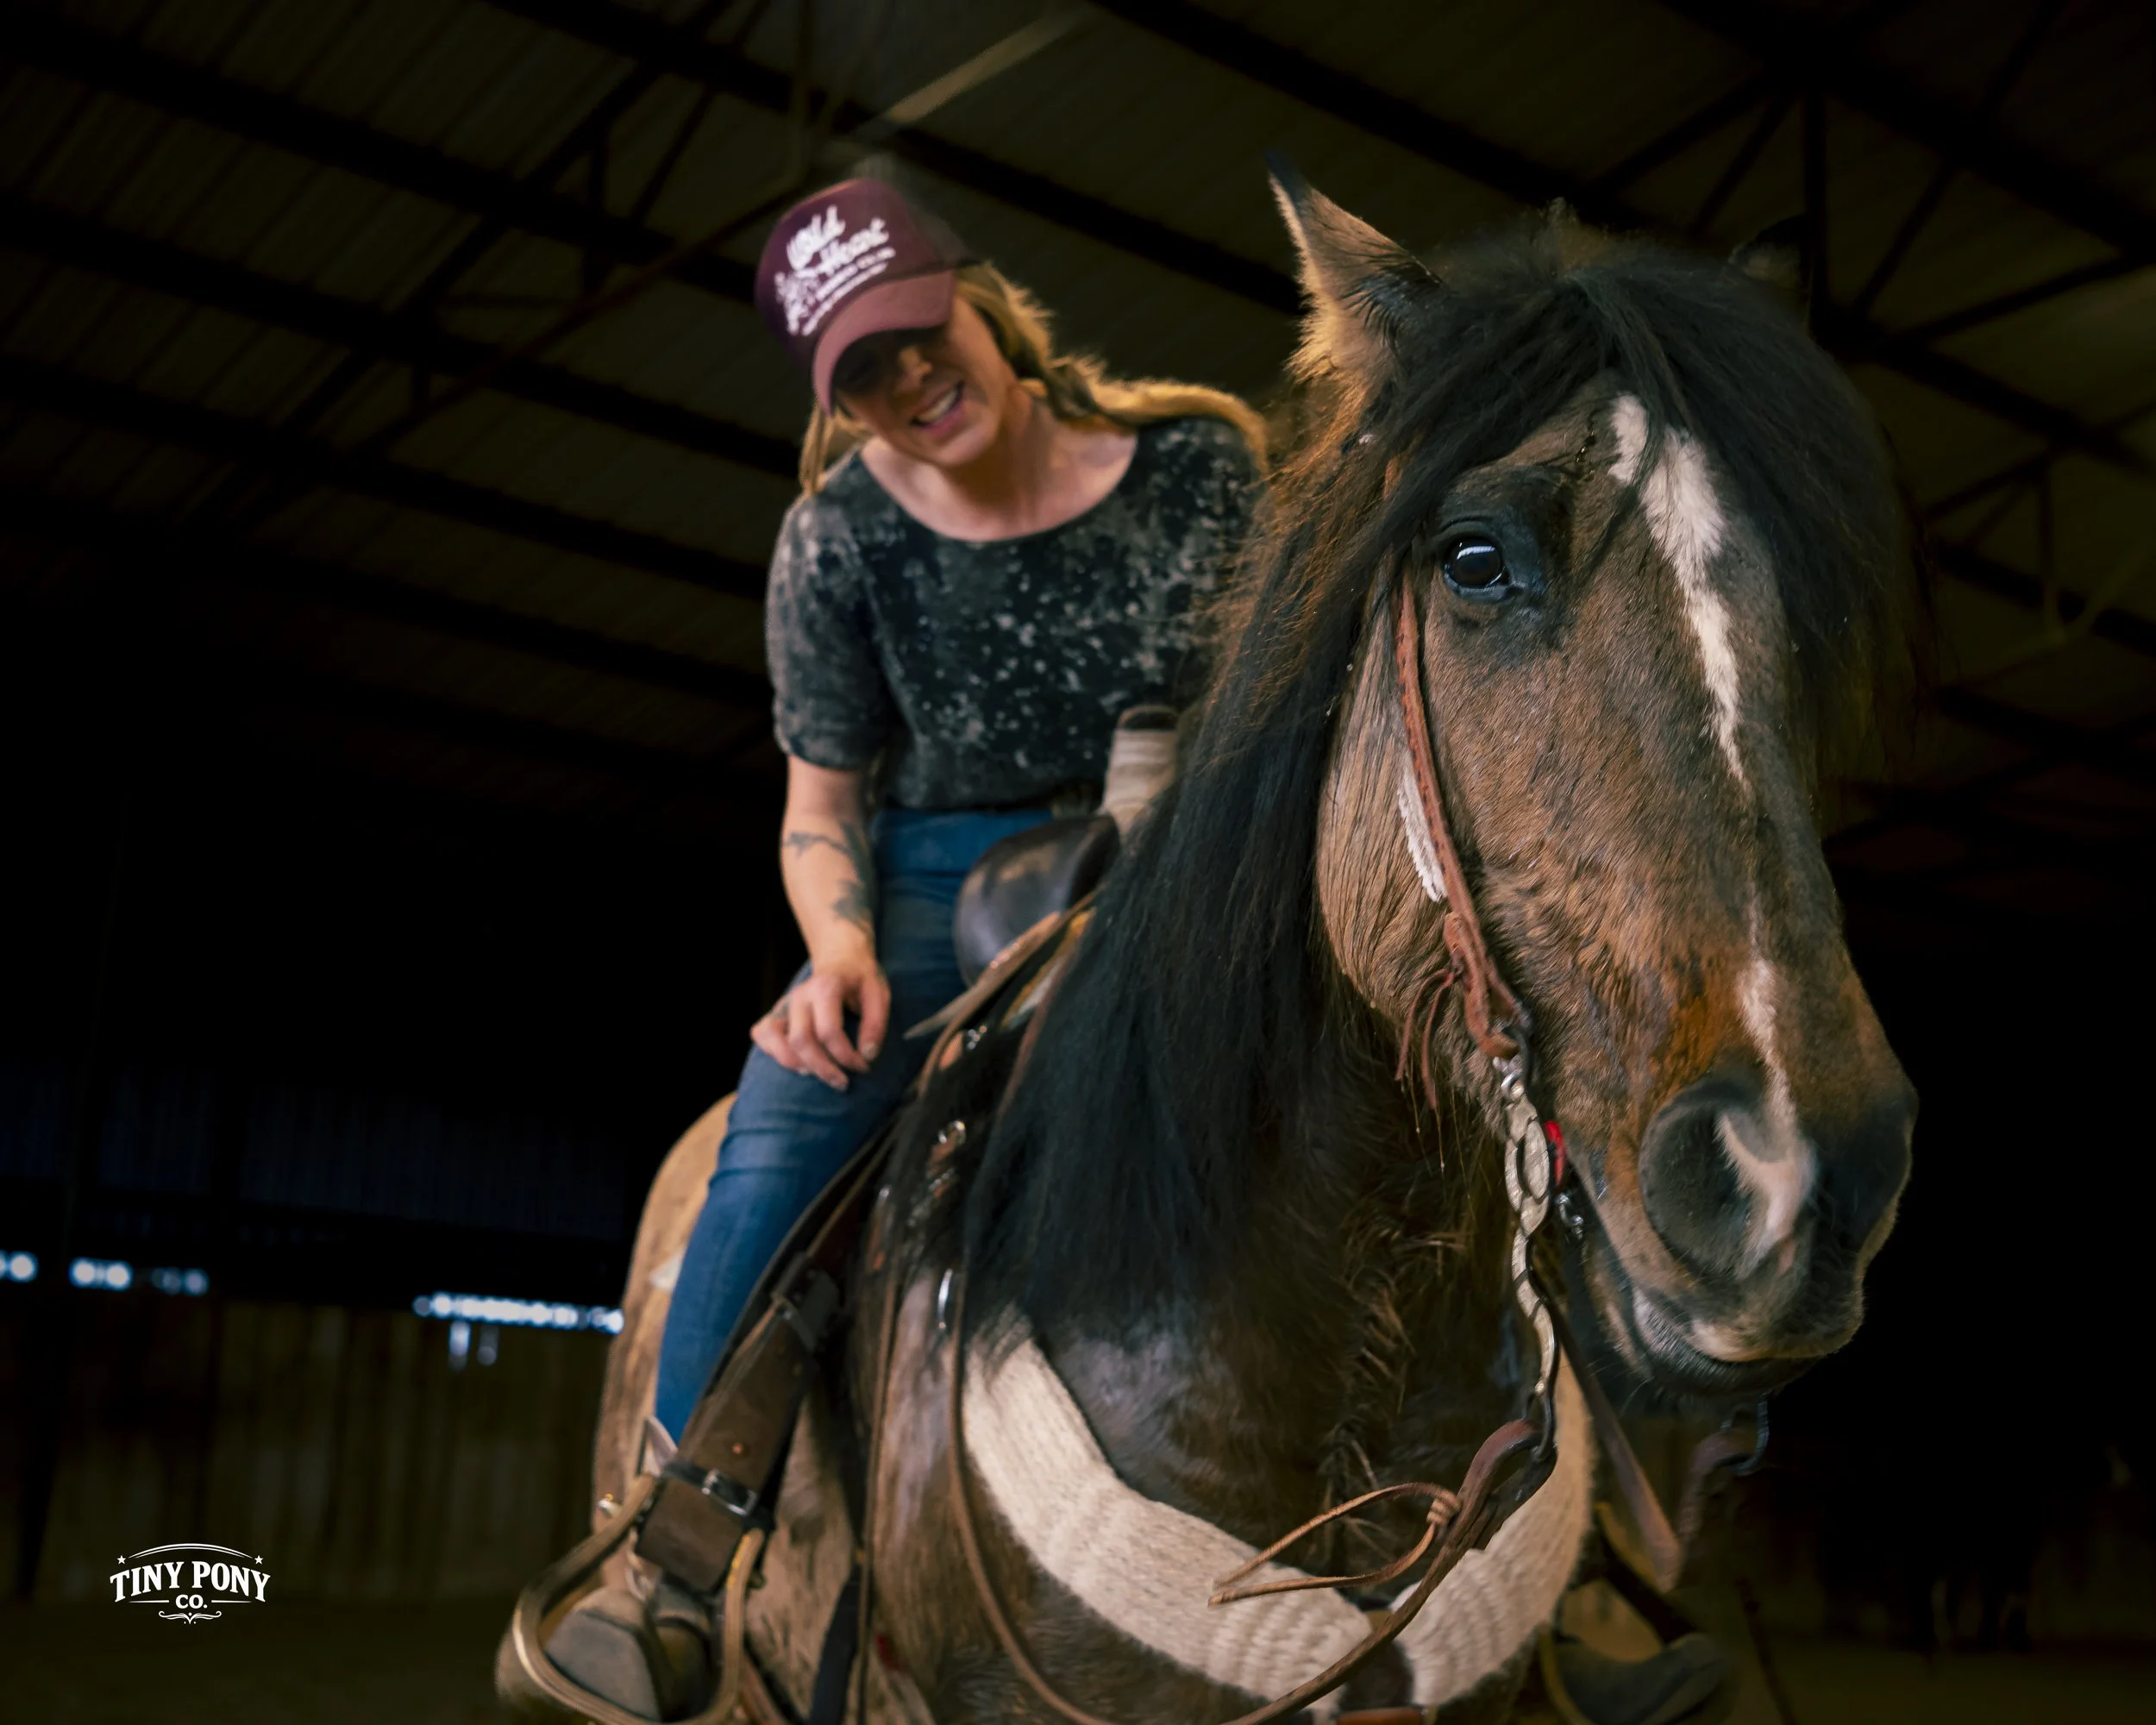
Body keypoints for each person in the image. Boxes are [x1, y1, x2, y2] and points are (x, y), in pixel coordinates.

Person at [649, 178, 1266, 1446]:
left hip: (1178, 849)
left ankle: (1566, 1545)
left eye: (921, 328)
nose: (914, 378)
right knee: (777, 1141)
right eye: (866, 373)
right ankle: (668, 1551)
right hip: (938, 872)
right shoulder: (837, 540)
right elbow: (818, 801)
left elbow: (1277, 704)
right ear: (841, 403)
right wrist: (839, 951)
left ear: (979, 300)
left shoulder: (1202, 465)